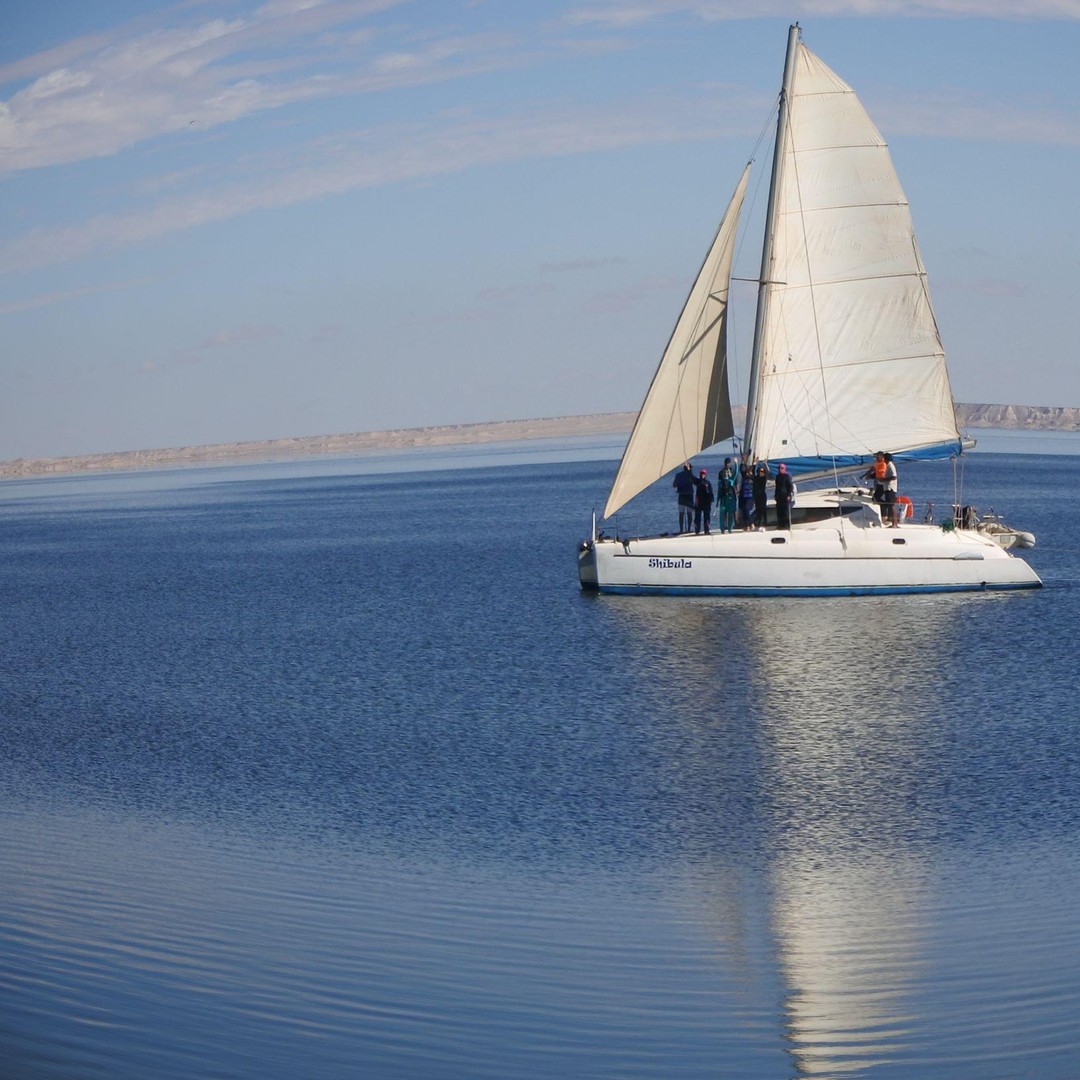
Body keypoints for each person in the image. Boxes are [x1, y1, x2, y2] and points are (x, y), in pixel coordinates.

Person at [673, 462, 696, 533]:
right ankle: (688, 529)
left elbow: (674, 485)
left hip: (681, 495)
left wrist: (680, 484)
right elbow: (695, 482)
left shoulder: (678, 475)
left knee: (681, 513)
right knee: (689, 513)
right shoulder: (690, 475)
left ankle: (681, 530)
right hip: (689, 495)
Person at [717, 461, 738, 534]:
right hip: (723, 499)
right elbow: (719, 491)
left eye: (727, 472)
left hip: (730, 499)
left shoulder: (731, 480)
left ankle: (730, 528)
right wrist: (717, 502)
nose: (726, 473)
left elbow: (736, 473)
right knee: (722, 514)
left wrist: (736, 463)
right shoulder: (721, 482)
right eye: (725, 473)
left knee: (730, 514)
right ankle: (722, 529)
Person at [773, 462, 794, 530]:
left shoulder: (787, 476)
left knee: (785, 511)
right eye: (779, 468)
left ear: (785, 469)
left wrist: (788, 495)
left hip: (785, 496)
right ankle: (780, 525)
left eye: (781, 468)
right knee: (779, 511)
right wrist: (775, 495)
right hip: (779, 496)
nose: (780, 469)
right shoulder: (777, 476)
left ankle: (786, 525)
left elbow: (790, 486)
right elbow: (777, 487)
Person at [693, 469, 714, 534]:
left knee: (707, 517)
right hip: (699, 502)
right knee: (697, 518)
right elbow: (691, 477)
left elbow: (711, 492)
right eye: (701, 473)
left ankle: (707, 530)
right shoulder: (697, 482)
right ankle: (697, 531)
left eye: (704, 474)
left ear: (705, 474)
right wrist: (689, 470)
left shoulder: (708, 483)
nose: (702, 475)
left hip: (706, 502)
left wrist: (711, 500)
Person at [882, 452, 899, 526]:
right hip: (888, 487)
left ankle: (894, 523)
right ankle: (891, 520)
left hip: (890, 488)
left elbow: (894, 476)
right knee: (890, 505)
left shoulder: (891, 466)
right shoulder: (888, 465)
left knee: (891, 505)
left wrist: (885, 479)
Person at [752, 463, 770, 529]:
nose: (761, 472)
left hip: (762, 496)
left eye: (762, 471)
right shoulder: (756, 478)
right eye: (759, 471)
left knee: (763, 510)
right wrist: (754, 465)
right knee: (758, 510)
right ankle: (759, 523)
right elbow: (752, 473)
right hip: (757, 496)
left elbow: (768, 472)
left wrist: (765, 464)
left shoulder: (764, 478)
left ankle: (765, 523)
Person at [738, 467, 755, 531]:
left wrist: (754, 464)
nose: (750, 473)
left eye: (751, 472)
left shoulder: (753, 478)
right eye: (749, 472)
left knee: (747, 511)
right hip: (743, 497)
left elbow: (754, 469)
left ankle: (751, 523)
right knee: (744, 511)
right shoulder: (744, 478)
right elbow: (741, 470)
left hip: (750, 498)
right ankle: (747, 526)